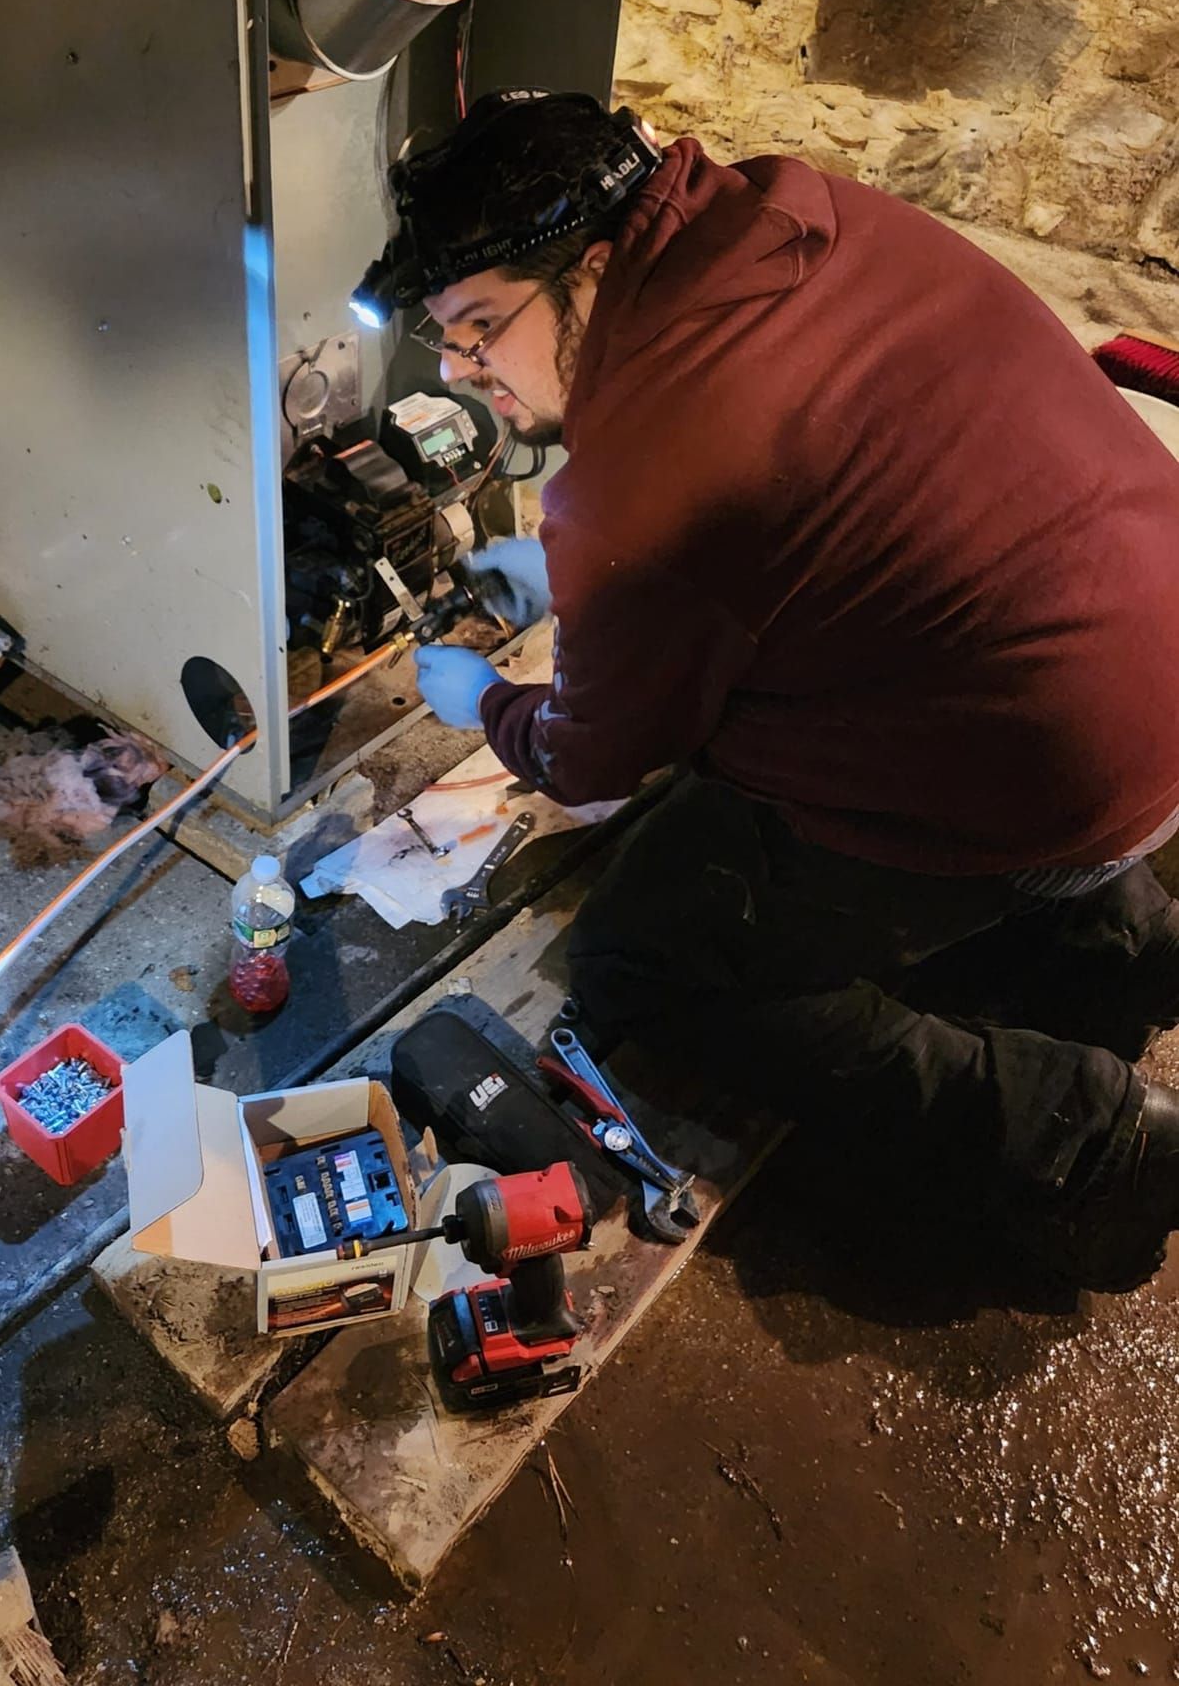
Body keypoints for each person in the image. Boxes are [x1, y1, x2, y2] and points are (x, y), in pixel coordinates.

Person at [351, 88, 1179, 1292]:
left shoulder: (636, 482)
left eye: (479, 327)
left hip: (1045, 778)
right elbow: (809, 491)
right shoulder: (796, 207)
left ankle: (1090, 1139)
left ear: (587, 268)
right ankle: (1131, 947)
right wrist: (584, 573)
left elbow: (589, 757)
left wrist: (480, 696)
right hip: (1135, 653)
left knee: (650, 957)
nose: (464, 370)